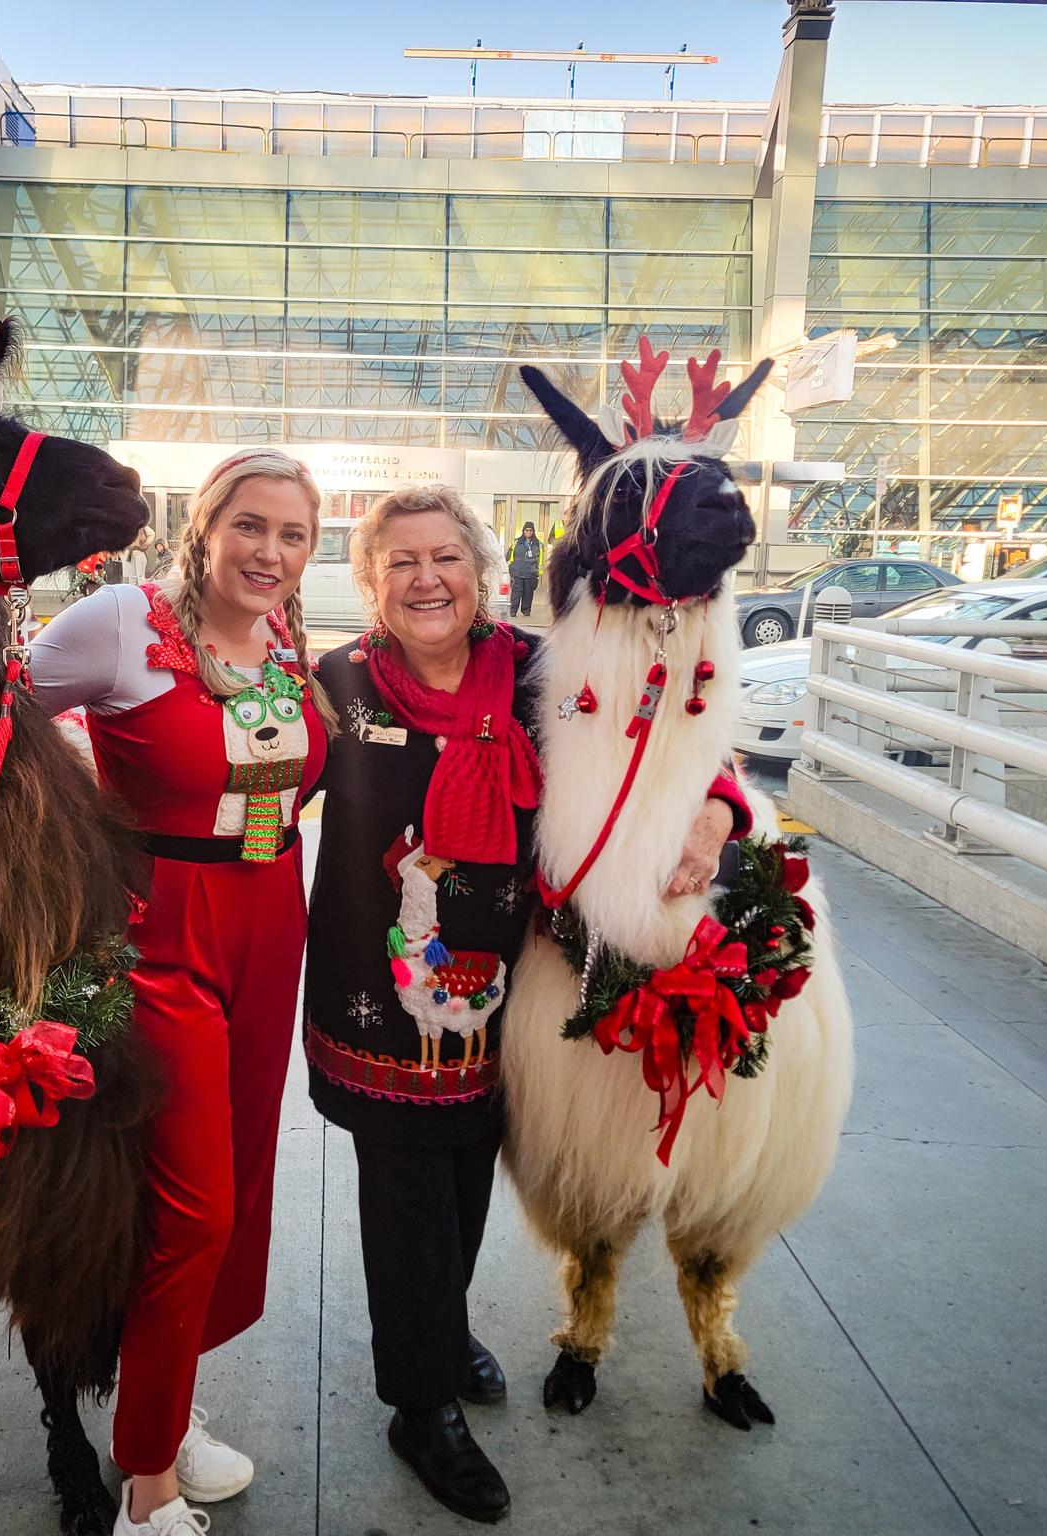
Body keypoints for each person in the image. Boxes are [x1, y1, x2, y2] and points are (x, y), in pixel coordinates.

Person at [0, 450, 337, 1536]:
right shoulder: (125, 622)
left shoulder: (285, 646)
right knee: (195, 1207)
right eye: (250, 527)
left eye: (294, 535)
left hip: (271, 927)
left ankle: (162, 1413)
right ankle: (146, 1486)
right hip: (159, 944)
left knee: (243, 1193)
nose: (269, 552)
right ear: (205, 529)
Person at [304, 485, 748, 1524]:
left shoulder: (539, 678)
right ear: (370, 585)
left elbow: (668, 752)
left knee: (467, 1176)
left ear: (483, 573)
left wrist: (717, 817)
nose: (425, 579)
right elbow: (234, 759)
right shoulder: (333, 685)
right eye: (399, 561)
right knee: (406, 1189)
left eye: (444, 557)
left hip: (509, 989)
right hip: (381, 995)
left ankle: (442, 1331)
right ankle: (420, 1405)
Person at [505, 519, 542, 619]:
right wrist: (507, 567)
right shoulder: (516, 542)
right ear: (523, 531)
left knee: (528, 593)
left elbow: (541, 559)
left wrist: (539, 571)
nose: (528, 532)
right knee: (516, 593)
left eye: (530, 530)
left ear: (533, 532)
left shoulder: (538, 544)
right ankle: (513, 611)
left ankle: (526, 610)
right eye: (526, 530)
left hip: (531, 573)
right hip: (517, 572)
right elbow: (509, 555)